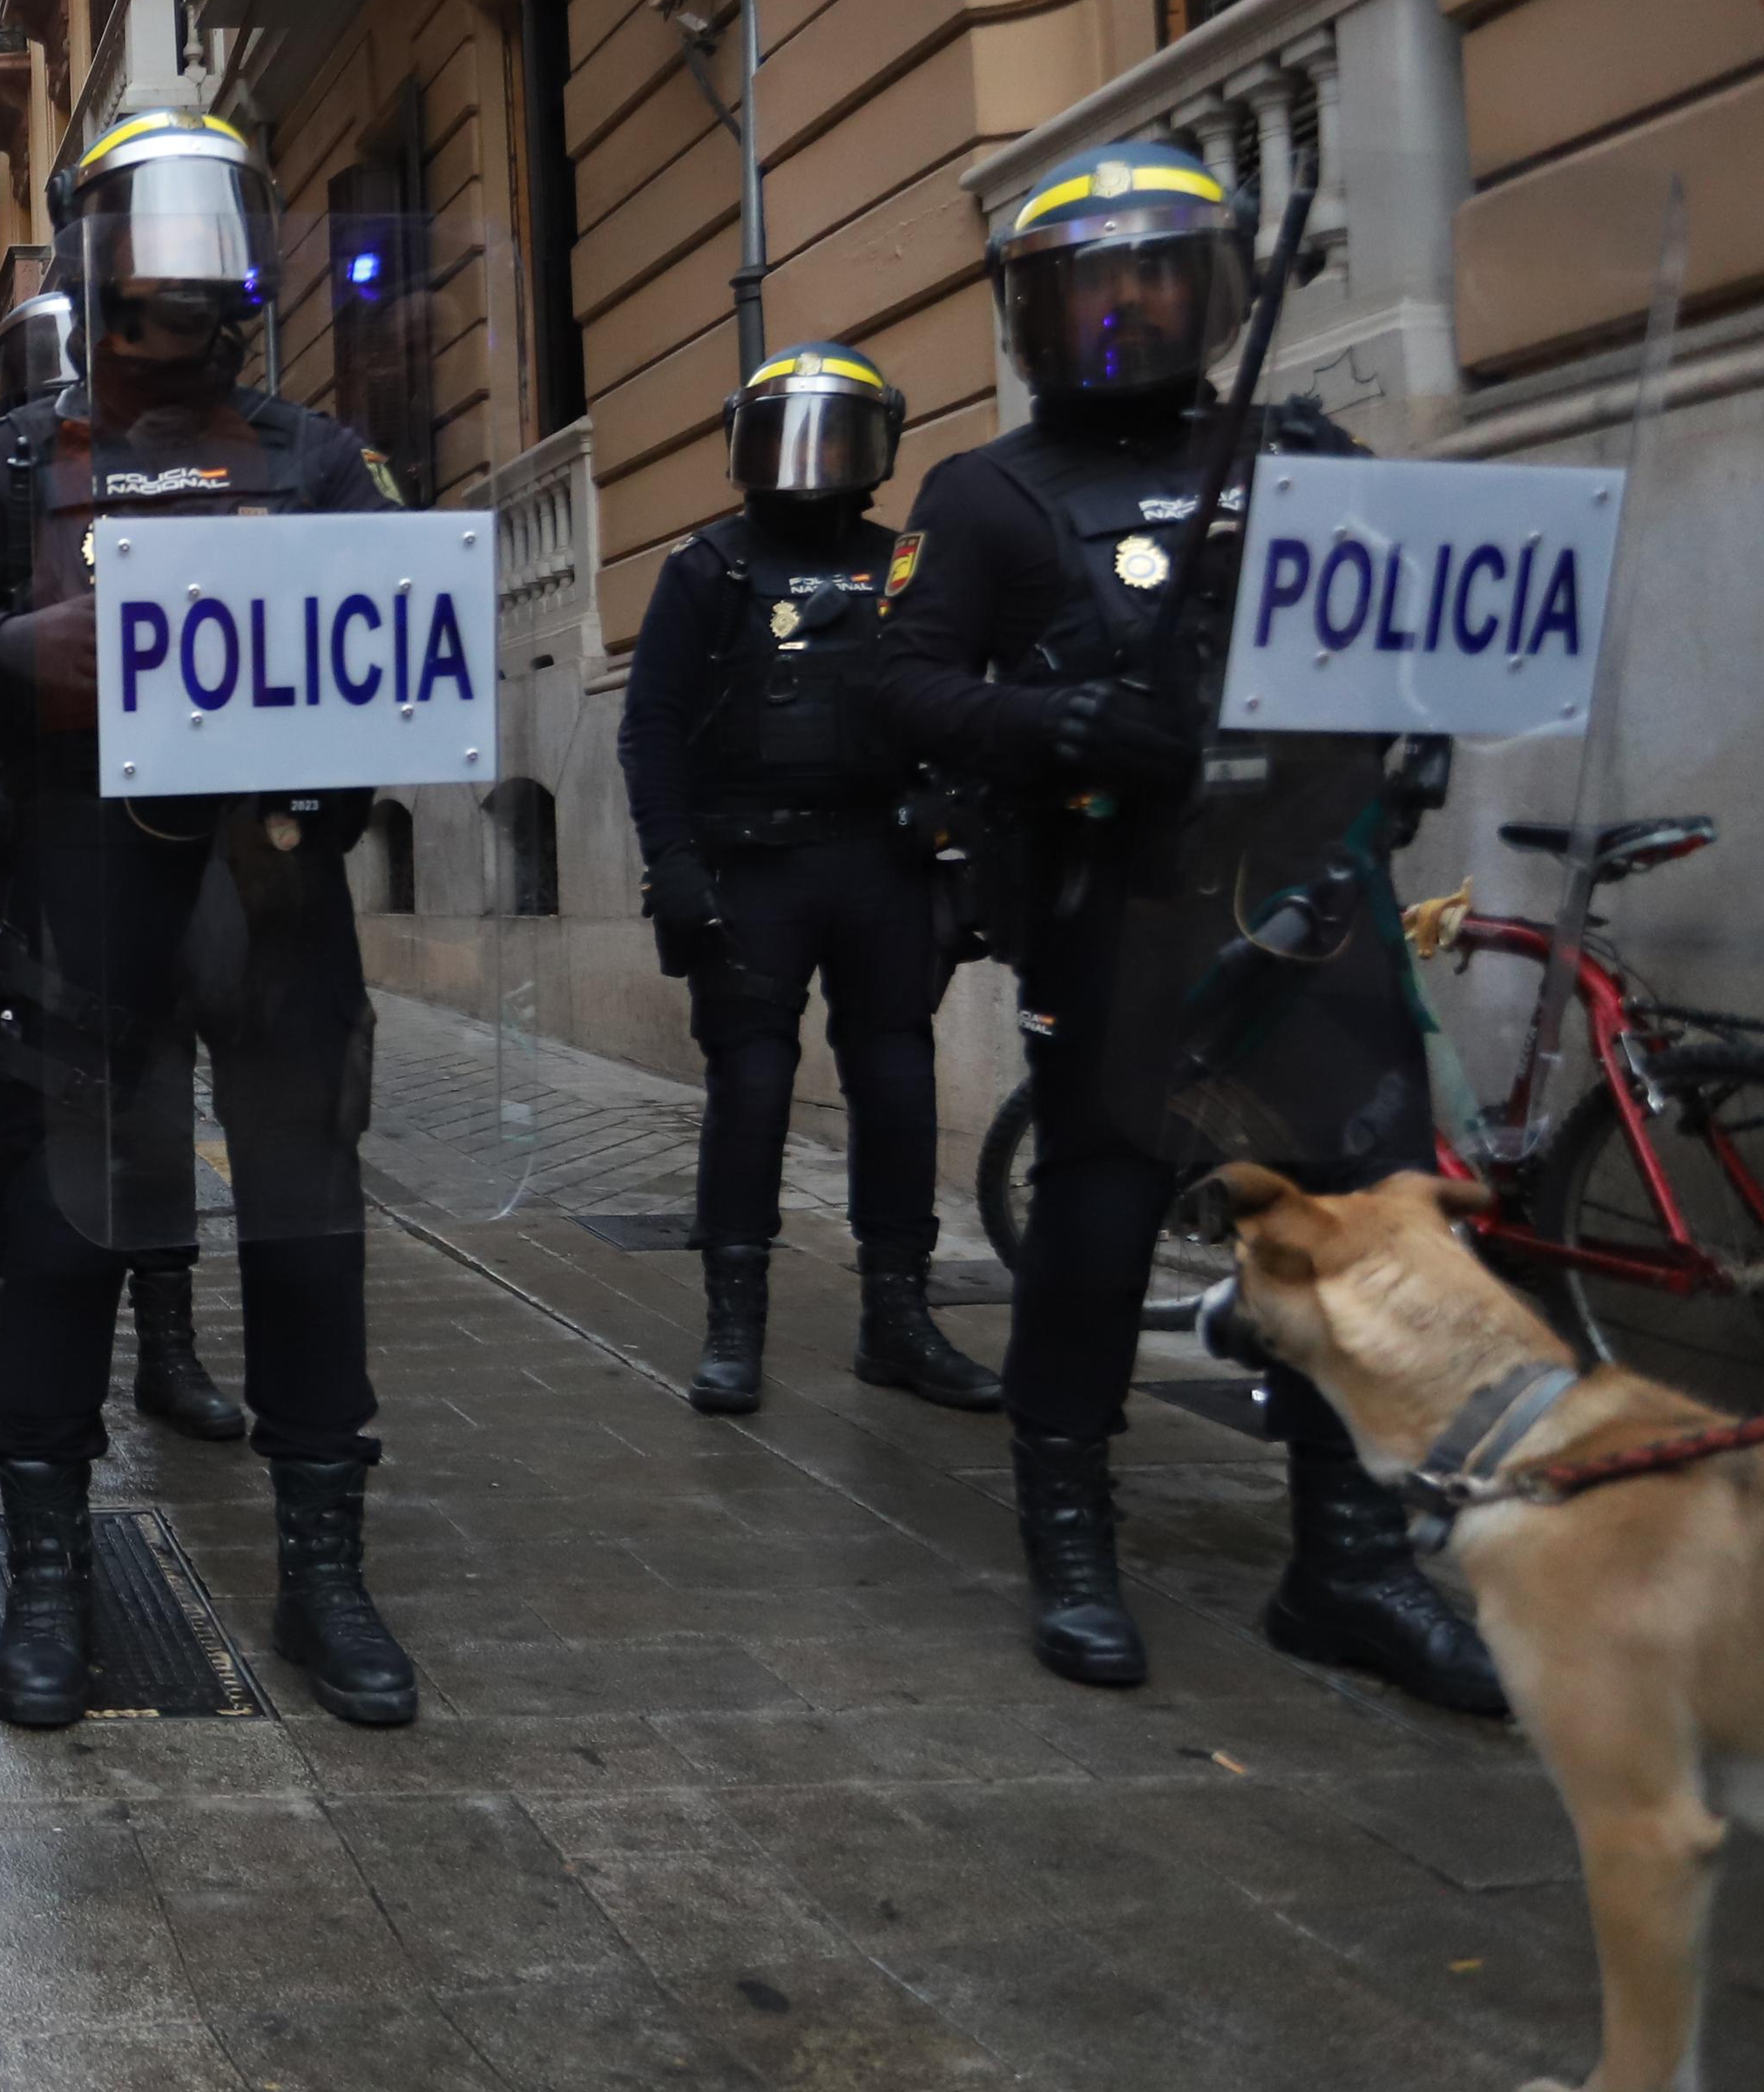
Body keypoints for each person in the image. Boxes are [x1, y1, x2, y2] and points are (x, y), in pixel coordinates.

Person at [870, 140, 1499, 1711]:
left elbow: (1396, 633)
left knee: (1366, 1233)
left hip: (1312, 906)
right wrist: (1069, 716)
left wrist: (1415, 730)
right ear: (1039, 306)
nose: (1129, 301)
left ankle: (1348, 1560)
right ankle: (1072, 1536)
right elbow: (900, 683)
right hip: (1118, 908)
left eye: (1157, 270)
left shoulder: (1302, 451)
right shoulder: (990, 492)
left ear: (1208, 290)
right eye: (1097, 276)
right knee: (1093, 1227)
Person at [0, 111, 409, 1731]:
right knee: (59, 1250)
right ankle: (52, 1575)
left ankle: (324, 1573)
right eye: (146, 229)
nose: (178, 266)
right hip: (83, 908)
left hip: (278, 912)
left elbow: (412, 659)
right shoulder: (21, 460)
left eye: (208, 226)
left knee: (309, 1244)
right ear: (97, 259)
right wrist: (17, 650)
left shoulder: (320, 461)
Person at [0, 274, 239, 1457]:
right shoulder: (10, 467)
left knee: (158, 1093)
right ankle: (1, 1346)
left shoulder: (234, 456)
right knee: (19, 1098)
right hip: (42, 840)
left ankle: (170, 1344)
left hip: (188, 833)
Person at [614, 349, 998, 1422]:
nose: (808, 462)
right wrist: (674, 865)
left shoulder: (904, 565)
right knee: (750, 1093)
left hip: (881, 864)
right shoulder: (707, 569)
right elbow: (648, 730)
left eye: (833, 434)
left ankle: (898, 1317)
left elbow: (955, 704)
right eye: (786, 433)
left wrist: (962, 850)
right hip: (750, 873)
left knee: (897, 1088)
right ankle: (733, 1325)